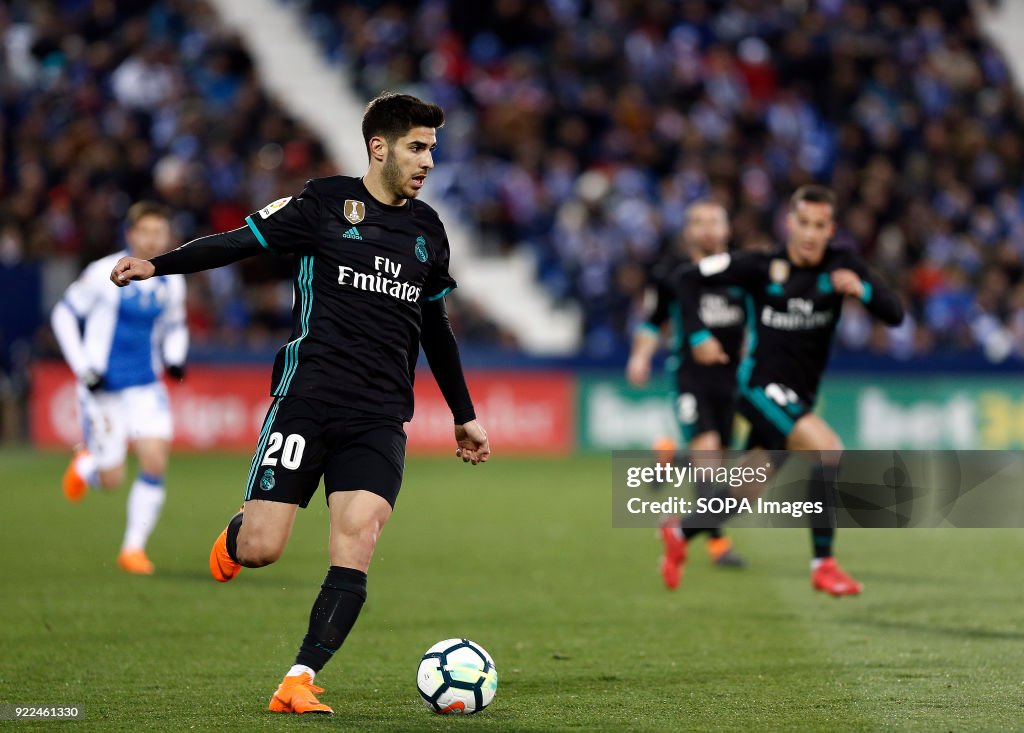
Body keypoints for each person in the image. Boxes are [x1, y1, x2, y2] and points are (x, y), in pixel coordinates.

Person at [110, 92, 491, 715]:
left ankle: (300, 677)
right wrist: (157, 265)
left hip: (379, 416)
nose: (427, 162)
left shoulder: (428, 231)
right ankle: (236, 537)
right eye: (417, 147)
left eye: (432, 150)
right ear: (380, 147)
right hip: (305, 400)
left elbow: (436, 328)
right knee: (264, 547)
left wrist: (463, 412)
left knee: (359, 536)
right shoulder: (321, 203)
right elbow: (239, 242)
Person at [668, 185, 903, 596]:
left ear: (830, 229)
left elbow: (895, 314)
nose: (810, 234)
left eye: (819, 226)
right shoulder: (760, 265)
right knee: (827, 449)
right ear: (789, 224)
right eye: (804, 223)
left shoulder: (841, 266)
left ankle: (681, 532)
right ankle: (823, 564)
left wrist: (862, 290)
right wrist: (698, 333)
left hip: (800, 395)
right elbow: (687, 278)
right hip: (758, 388)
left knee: (745, 489)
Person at [51, 201, 187, 576]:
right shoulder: (100, 273)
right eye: (146, 231)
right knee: (111, 479)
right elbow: (63, 315)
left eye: (159, 231)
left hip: (145, 385)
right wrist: (83, 369)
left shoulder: (174, 277)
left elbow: (176, 324)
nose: (153, 238)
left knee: (155, 461)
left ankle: (133, 549)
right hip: (103, 387)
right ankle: (87, 464)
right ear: (131, 234)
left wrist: (175, 356)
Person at [625, 200, 747, 587]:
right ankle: (716, 543)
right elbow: (653, 321)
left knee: (719, 458)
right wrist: (640, 357)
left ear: (727, 229)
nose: (708, 229)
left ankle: (672, 459)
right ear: (688, 231)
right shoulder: (672, 274)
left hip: (732, 380)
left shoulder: (744, 273)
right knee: (709, 457)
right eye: (699, 222)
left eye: (715, 221)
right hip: (691, 377)